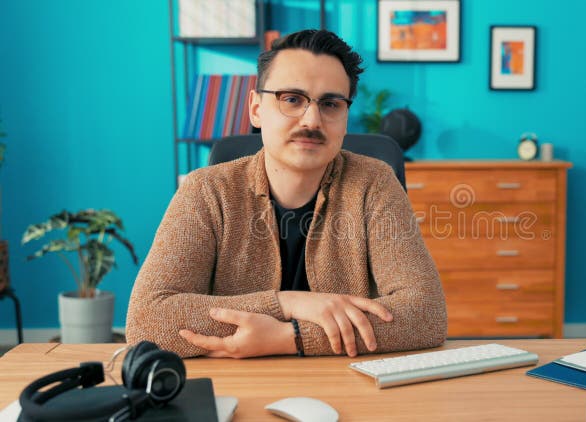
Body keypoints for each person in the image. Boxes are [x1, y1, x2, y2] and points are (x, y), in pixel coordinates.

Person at [126, 29, 447, 358]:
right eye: (292, 99)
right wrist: (290, 303)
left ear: (345, 115)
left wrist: (287, 337)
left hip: (349, 385)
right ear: (255, 108)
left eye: (331, 104)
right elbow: (147, 320)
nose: (312, 120)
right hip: (239, 387)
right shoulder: (205, 191)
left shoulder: (375, 184)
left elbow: (425, 314)